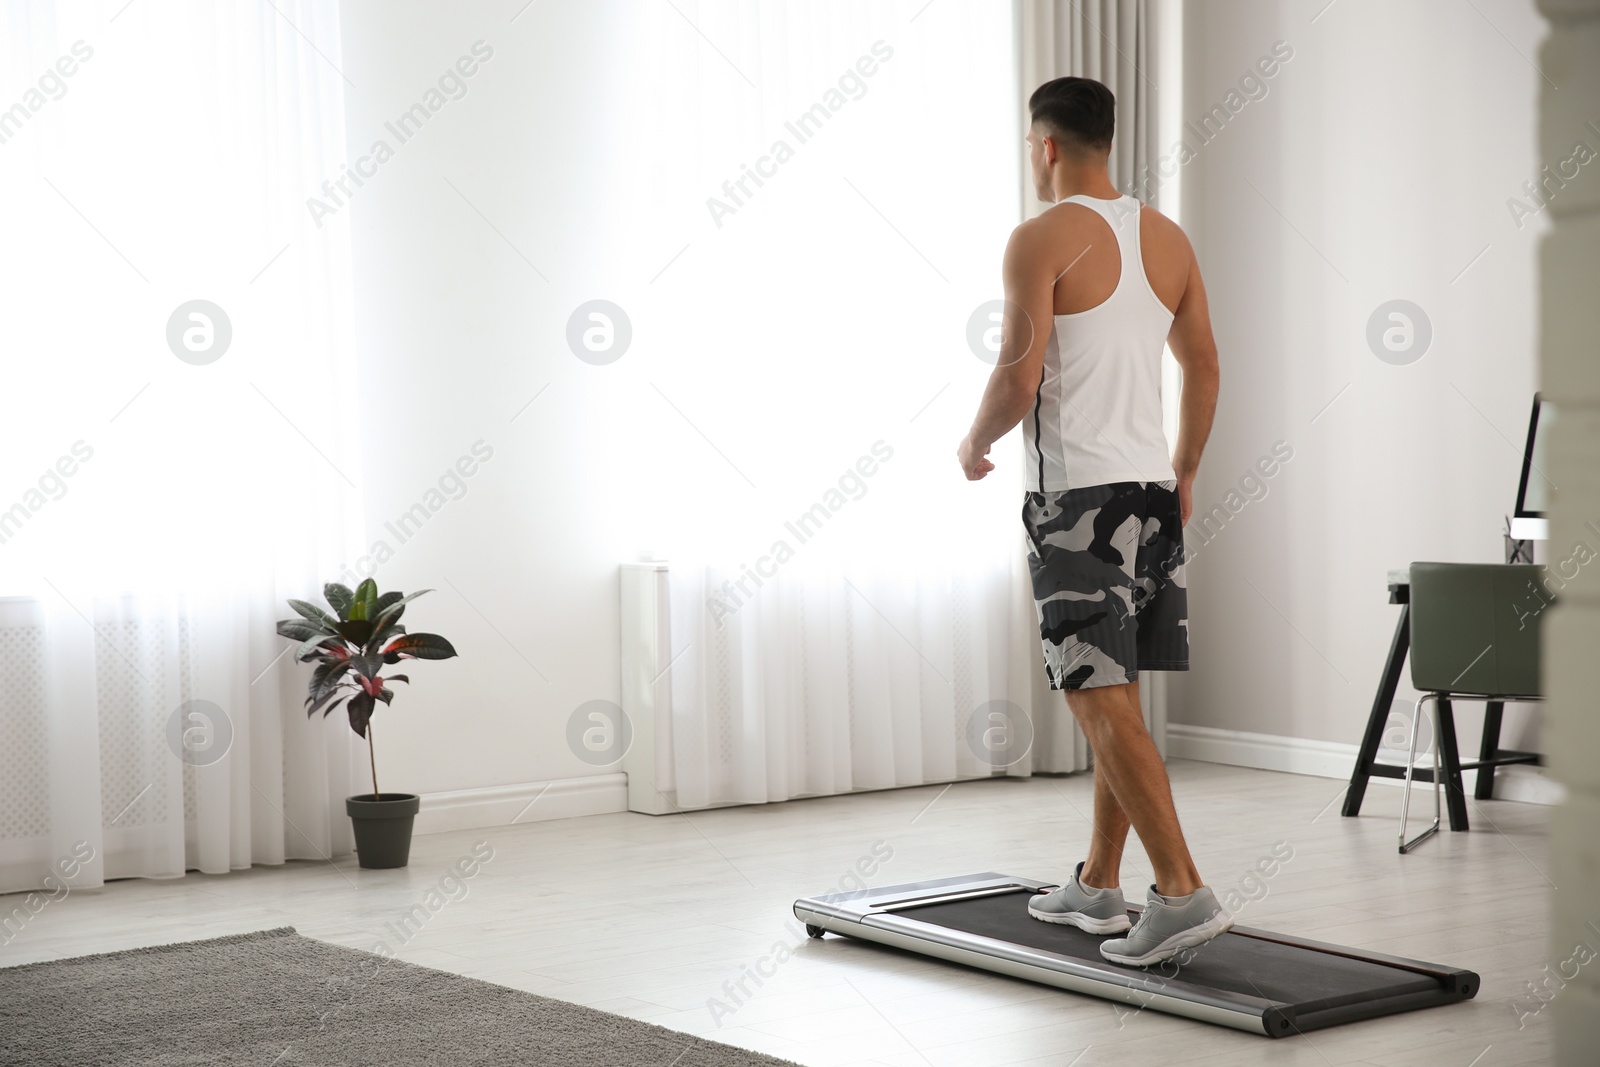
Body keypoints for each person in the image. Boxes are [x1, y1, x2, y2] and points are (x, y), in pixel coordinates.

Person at [956, 76, 1226, 967]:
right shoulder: (1170, 239)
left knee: (1101, 702)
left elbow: (1016, 378)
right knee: (1121, 700)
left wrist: (972, 442)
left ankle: (1181, 892)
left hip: (1078, 502)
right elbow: (1206, 368)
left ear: (1046, 148)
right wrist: (1184, 471)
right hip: (1150, 494)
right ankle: (1100, 883)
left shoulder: (1040, 238)